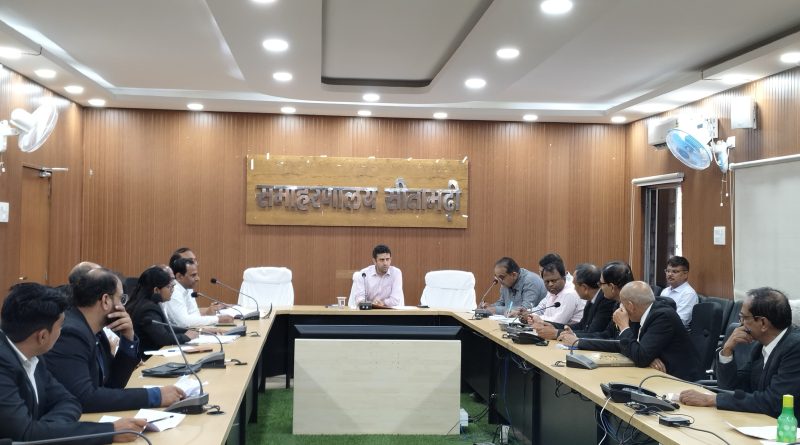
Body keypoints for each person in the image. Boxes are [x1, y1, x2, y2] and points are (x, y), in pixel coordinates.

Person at [0, 282, 146, 442]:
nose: (62, 330)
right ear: (42, 336)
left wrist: (46, 428)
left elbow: (69, 400)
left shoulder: (33, 354)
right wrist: (110, 431)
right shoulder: (3, 365)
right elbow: (25, 435)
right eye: (60, 326)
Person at [45, 268, 185, 412]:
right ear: (105, 300)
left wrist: (128, 339)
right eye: (121, 299)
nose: (123, 307)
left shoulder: (96, 332)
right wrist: (154, 396)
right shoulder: (71, 334)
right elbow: (85, 398)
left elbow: (113, 384)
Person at [680, 287, 800, 417]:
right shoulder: (760, 347)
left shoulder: (795, 348)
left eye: (743, 318)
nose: (740, 324)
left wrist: (712, 400)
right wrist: (727, 351)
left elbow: (774, 402)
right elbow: (733, 387)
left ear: (763, 323)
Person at [576, 281, 703, 381]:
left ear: (630, 306)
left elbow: (640, 356)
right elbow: (625, 346)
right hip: (656, 375)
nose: (620, 308)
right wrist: (579, 342)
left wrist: (624, 327)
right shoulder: (640, 314)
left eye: (622, 304)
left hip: (680, 381)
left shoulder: (662, 317)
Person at [527, 263, 615, 340]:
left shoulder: (606, 301)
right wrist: (551, 325)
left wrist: (557, 333)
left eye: (575, 285)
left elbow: (593, 332)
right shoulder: (592, 298)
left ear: (584, 288)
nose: (574, 288)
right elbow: (581, 325)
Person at [127, 266, 197, 360]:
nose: (172, 290)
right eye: (169, 287)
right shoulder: (148, 309)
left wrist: (187, 331)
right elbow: (162, 338)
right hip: (147, 360)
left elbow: (166, 328)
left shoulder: (143, 303)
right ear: (156, 290)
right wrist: (186, 337)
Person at [558, 260, 633, 344]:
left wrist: (578, 341)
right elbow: (607, 335)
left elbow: (619, 343)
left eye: (601, 283)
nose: (599, 287)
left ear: (612, 287)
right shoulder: (617, 304)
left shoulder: (630, 307)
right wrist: (575, 337)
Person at [164, 256, 234, 328]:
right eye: (193, 275)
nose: (198, 278)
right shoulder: (173, 291)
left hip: (191, 330)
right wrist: (217, 319)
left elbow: (194, 315)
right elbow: (184, 322)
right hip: (178, 333)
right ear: (179, 276)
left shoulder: (188, 288)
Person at [480, 257, 547, 315]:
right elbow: (502, 303)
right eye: (496, 277)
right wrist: (489, 307)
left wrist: (496, 310)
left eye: (501, 277)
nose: (499, 281)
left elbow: (524, 309)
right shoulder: (506, 283)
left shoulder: (530, 281)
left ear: (514, 275)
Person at [660, 256, 698, 327]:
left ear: (685, 274)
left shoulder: (688, 294)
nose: (669, 274)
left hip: (674, 331)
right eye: (668, 271)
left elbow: (681, 321)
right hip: (661, 327)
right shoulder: (665, 291)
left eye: (675, 271)